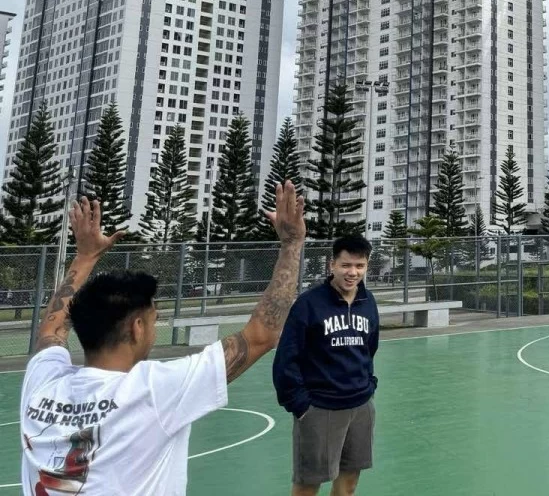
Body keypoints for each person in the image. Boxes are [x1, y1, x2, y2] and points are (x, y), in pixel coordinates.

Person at [19, 182, 306, 495]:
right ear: (137, 328)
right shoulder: (153, 390)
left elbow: (51, 329)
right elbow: (262, 334)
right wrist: (292, 244)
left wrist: (85, 257)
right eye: (155, 320)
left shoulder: (42, 384)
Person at [273, 233, 380, 496]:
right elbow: (286, 358)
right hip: (320, 408)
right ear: (332, 265)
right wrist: (300, 406)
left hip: (360, 405)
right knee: (308, 485)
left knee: (349, 482)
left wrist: (369, 385)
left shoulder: (368, 303)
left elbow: (370, 348)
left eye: (359, 266)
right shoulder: (309, 304)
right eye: (346, 265)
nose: (352, 272)